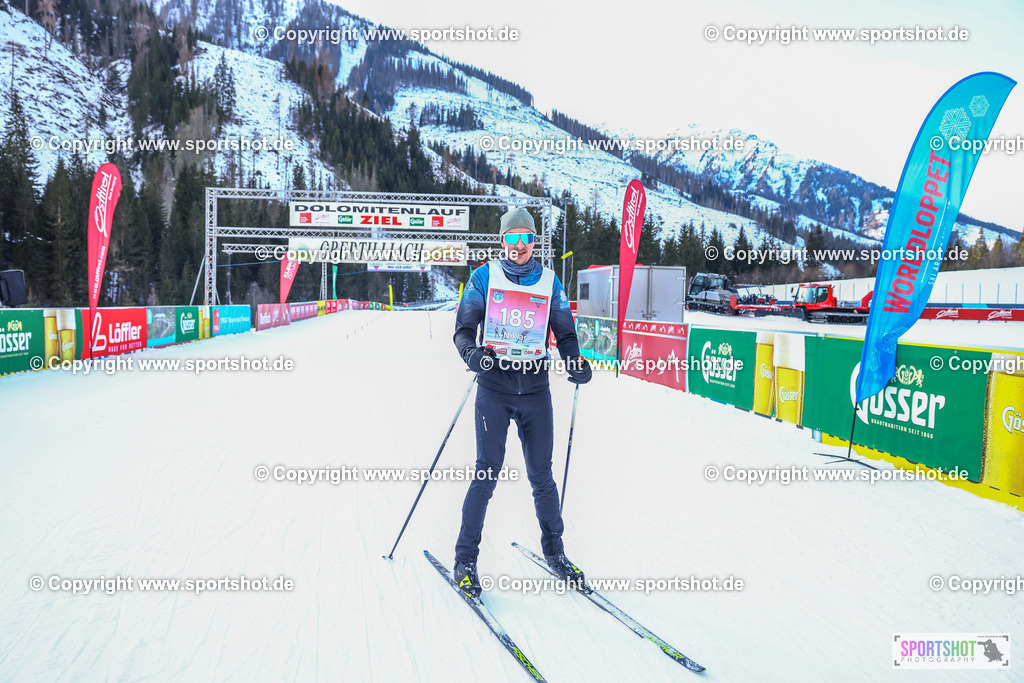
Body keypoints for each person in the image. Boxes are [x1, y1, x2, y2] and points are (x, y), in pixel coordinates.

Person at [452, 206, 592, 599]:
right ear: (502, 241)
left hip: (533, 388)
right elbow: (463, 330)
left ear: (535, 242)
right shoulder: (483, 277)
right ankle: (465, 559)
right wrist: (473, 355)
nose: (518, 245)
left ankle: (555, 552)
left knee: (541, 477)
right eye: (511, 238)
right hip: (494, 386)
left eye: (525, 238)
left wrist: (575, 361)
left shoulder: (549, 281)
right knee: (487, 473)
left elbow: (565, 335)